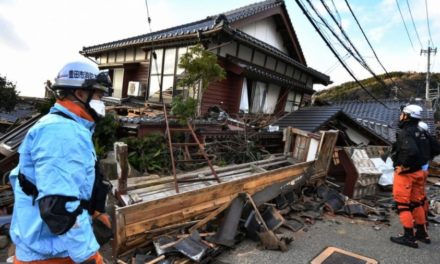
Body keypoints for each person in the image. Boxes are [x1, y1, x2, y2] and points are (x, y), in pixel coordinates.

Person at [9, 61, 113, 263]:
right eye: (99, 95)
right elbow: (59, 207)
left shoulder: (66, 127)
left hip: (52, 248)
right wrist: (88, 255)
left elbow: (73, 184)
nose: (102, 102)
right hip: (49, 254)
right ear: (81, 94)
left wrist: (95, 211)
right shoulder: (62, 132)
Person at [390, 104, 431, 248]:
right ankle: (421, 233)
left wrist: (403, 165)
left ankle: (409, 237)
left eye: (402, 113)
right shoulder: (422, 131)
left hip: (406, 174)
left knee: (403, 204)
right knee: (417, 203)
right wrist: (422, 161)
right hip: (419, 171)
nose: (400, 116)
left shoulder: (406, 132)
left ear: (407, 115)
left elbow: (411, 151)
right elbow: (435, 148)